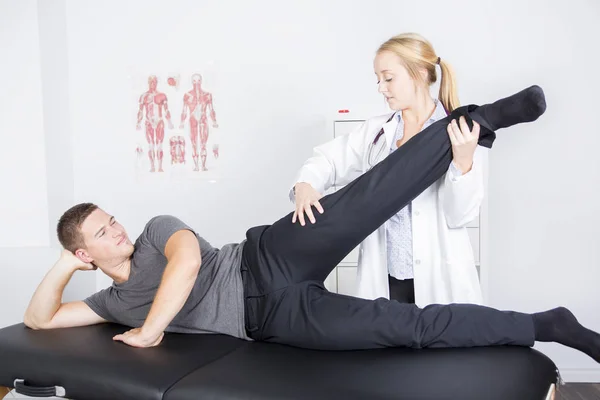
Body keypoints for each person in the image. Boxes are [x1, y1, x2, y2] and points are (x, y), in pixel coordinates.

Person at [21, 85, 600, 367]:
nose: (115, 229)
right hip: (270, 320)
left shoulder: (154, 230)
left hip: (268, 256)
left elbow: (190, 261)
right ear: (87, 255)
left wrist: (151, 331)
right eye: (101, 233)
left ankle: (484, 117)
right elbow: (39, 319)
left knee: (375, 194)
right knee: (404, 328)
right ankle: (548, 323)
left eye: (109, 219)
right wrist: (63, 265)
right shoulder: (109, 303)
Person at [290, 33, 486, 306]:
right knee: (386, 347)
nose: (381, 87)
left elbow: (460, 215)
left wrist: (463, 161)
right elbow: (328, 160)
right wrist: (306, 185)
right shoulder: (377, 132)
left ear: (418, 73)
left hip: (439, 278)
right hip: (385, 279)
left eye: (388, 78)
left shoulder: (461, 131)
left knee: (442, 347)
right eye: (378, 79)